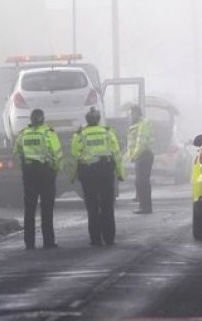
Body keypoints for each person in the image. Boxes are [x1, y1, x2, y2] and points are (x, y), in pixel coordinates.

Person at [71, 107, 124, 246]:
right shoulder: (107, 132)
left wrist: (73, 176)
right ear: (99, 119)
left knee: (92, 206)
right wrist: (120, 173)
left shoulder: (80, 135)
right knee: (107, 205)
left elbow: (74, 157)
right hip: (105, 171)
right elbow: (116, 154)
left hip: (88, 174)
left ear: (87, 119)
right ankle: (109, 238)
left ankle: (95, 239)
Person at [13, 109, 63, 249]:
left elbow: (16, 152)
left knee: (29, 209)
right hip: (46, 173)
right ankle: (48, 241)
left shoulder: (23, 134)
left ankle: (29, 243)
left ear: (31, 119)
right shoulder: (48, 133)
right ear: (43, 119)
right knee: (47, 208)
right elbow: (57, 154)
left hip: (29, 174)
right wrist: (57, 169)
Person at [127, 105, 155, 214]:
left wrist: (134, 155)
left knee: (142, 182)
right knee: (140, 182)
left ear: (137, 113)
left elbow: (141, 142)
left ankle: (146, 208)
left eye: (132, 114)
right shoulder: (137, 124)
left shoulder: (143, 124)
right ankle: (144, 206)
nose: (130, 116)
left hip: (144, 155)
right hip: (141, 155)